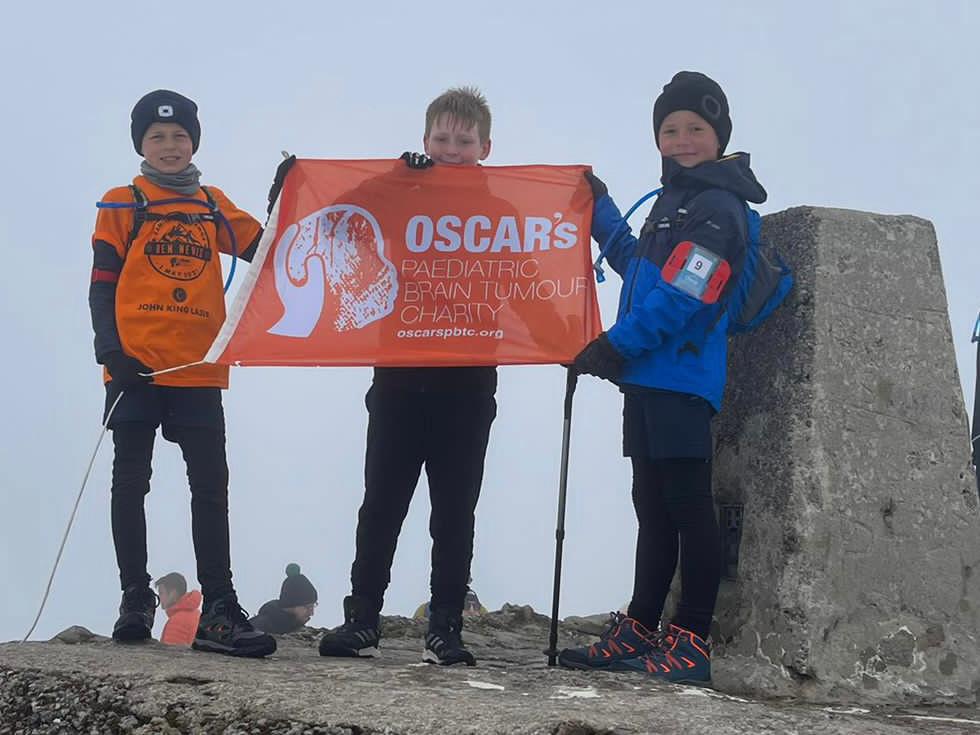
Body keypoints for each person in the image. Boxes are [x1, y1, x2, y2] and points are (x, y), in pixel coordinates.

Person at [557, 72, 767, 684]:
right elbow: (633, 265)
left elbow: (686, 296)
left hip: (682, 379)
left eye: (695, 129)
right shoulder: (669, 205)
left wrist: (612, 347)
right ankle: (643, 626)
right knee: (650, 507)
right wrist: (600, 209)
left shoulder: (718, 209)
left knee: (685, 507)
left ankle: (691, 639)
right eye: (669, 129)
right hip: (647, 378)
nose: (681, 139)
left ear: (719, 135)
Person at [89, 89, 275, 657]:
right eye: (156, 137)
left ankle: (219, 607)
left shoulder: (213, 204)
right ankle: (134, 598)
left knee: (210, 488)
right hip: (136, 369)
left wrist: (286, 194)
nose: (169, 146)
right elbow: (100, 284)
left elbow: (266, 249)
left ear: (194, 140)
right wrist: (110, 353)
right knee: (130, 483)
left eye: (179, 136)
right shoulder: (122, 202)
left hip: (198, 368)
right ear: (140, 144)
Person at [316, 87, 497, 667]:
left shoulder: (503, 210)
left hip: (468, 386)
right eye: (440, 140)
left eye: (462, 142)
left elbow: (535, 272)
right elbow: (341, 223)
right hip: (397, 378)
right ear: (424, 142)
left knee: (454, 509)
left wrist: (570, 339)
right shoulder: (399, 196)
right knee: (383, 503)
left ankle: (446, 625)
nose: (451, 149)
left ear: (484, 148)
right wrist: (396, 177)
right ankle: (362, 616)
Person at [249, 563, 319, 634]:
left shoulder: (300, 631)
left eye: (313, 606)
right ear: (292, 605)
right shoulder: (255, 628)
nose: (311, 613)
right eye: (308, 607)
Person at [154, 572, 201, 646]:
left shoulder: (178, 620)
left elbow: (172, 655)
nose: (159, 597)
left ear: (173, 593)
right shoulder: (197, 614)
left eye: (161, 593)